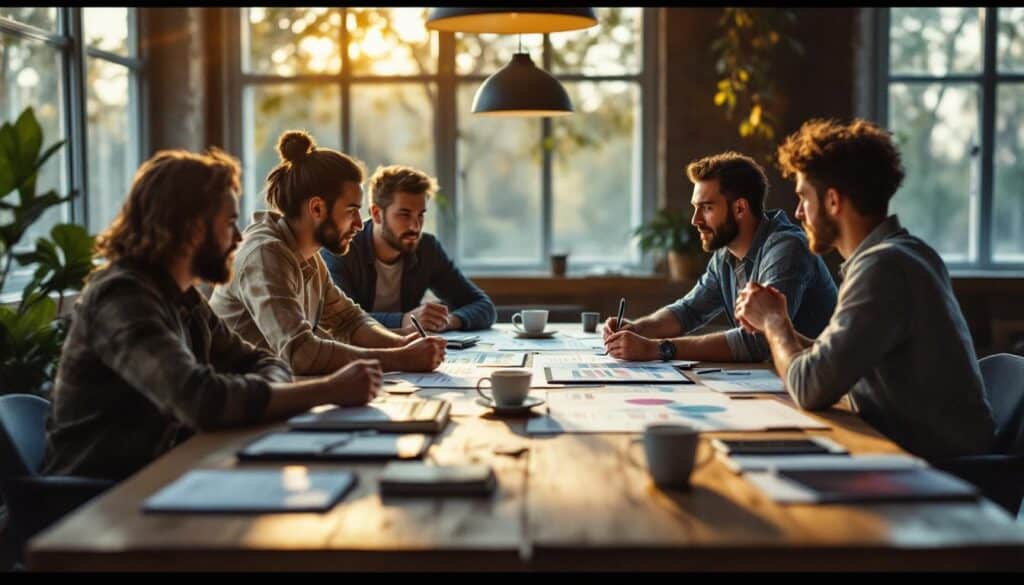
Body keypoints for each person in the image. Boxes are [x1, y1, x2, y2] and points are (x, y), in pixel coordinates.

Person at [42, 148, 383, 481]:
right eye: (230, 223)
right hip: (100, 500)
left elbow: (262, 360)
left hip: (169, 474)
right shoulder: (122, 297)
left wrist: (259, 387)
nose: (238, 238)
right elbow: (201, 400)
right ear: (192, 228)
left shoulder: (184, 296)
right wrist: (328, 390)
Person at [735, 118, 996, 458]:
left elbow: (808, 387)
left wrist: (774, 322)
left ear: (832, 201)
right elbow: (837, 363)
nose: (798, 212)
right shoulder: (908, 252)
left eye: (803, 198)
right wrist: (782, 328)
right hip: (913, 452)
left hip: (934, 472)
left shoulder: (882, 268)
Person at [209, 131, 446, 375]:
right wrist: (400, 359)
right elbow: (301, 353)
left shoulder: (308, 255)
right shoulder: (265, 254)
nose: (358, 223)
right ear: (317, 208)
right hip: (239, 399)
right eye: (351, 210)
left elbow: (349, 320)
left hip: (272, 389)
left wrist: (401, 344)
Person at [604, 151, 837, 363]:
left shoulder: (787, 248)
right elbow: (689, 311)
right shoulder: (726, 254)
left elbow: (758, 341)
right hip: (776, 383)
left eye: (706, 208)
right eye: (696, 208)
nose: (695, 220)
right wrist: (638, 329)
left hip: (823, 391)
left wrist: (656, 349)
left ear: (739, 209)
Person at [321, 164, 496, 334]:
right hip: (355, 354)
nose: (415, 225)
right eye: (404, 214)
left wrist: (448, 321)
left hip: (408, 351)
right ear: (376, 214)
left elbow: (483, 306)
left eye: (420, 215)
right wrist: (403, 320)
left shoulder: (426, 249)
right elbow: (339, 319)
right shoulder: (341, 250)